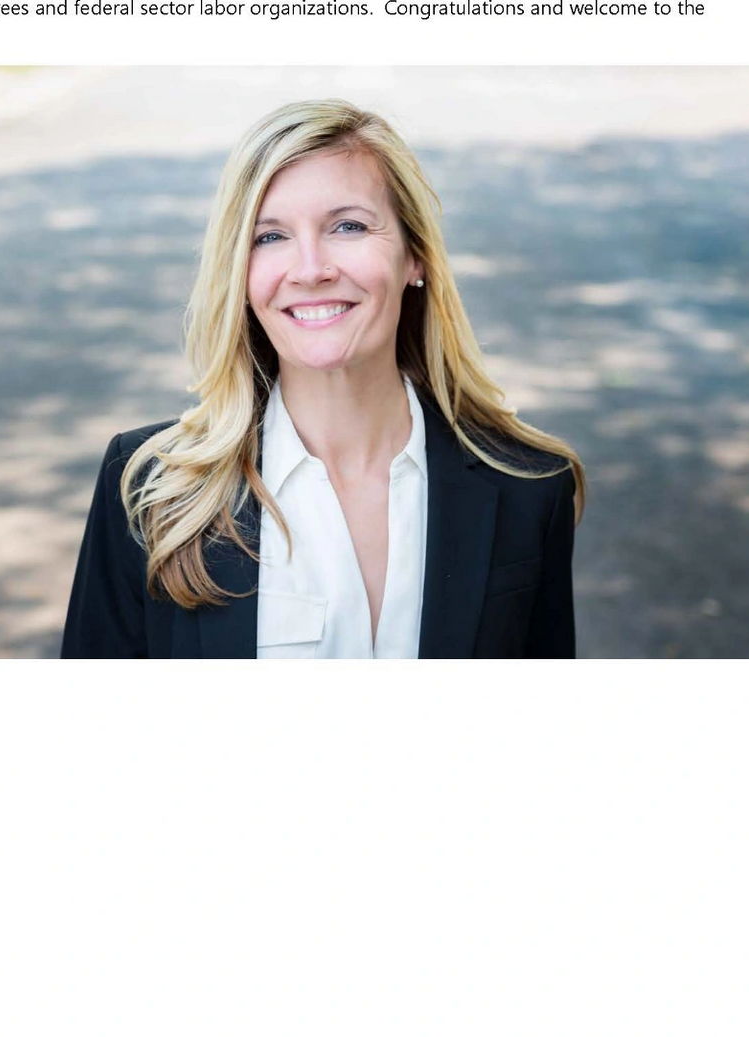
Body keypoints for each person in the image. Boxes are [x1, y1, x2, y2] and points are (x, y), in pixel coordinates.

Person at [61, 99, 585, 659]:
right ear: (239, 271)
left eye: (349, 226)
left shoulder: (530, 488)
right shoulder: (150, 489)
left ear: (416, 257)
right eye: (269, 237)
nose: (311, 269)